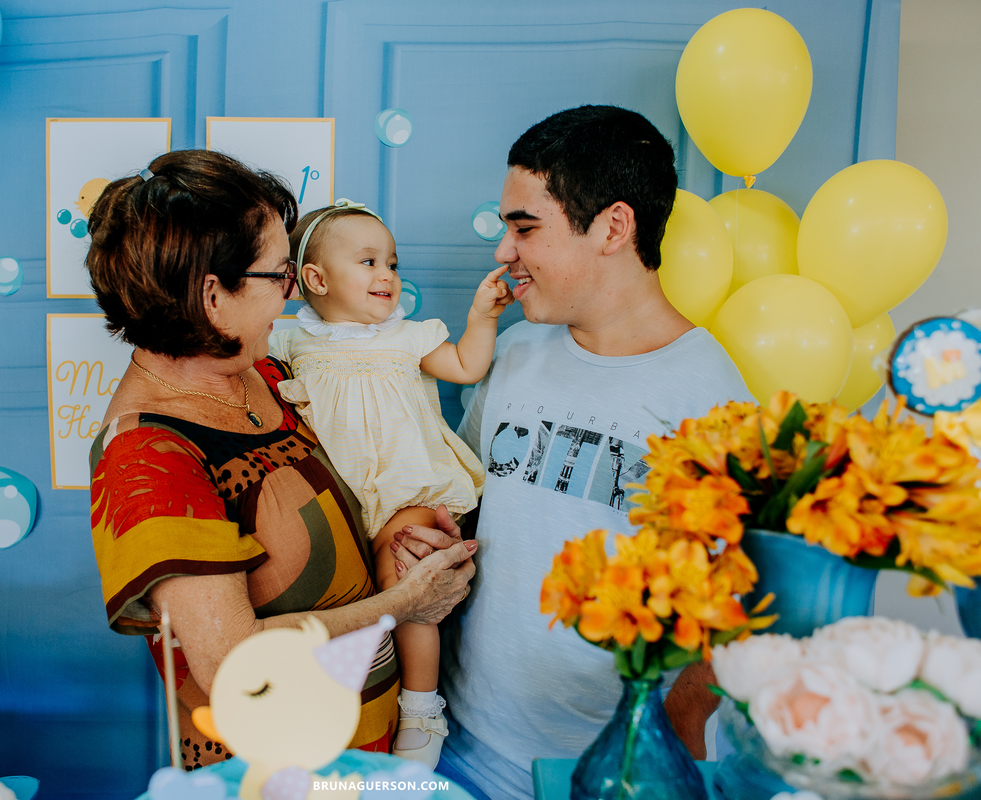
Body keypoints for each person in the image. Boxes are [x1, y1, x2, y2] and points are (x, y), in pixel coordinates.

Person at [391, 106, 754, 799]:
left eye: (525, 228)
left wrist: (678, 731)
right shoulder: (516, 349)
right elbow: (475, 500)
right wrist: (432, 538)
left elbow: (745, 594)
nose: (504, 252)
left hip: (611, 773)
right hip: (459, 750)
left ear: (613, 228)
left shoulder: (712, 398)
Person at [83, 149, 477, 771]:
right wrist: (405, 603)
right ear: (214, 295)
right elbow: (232, 662)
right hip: (278, 772)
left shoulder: (266, 373)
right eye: (278, 275)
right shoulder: (146, 459)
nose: (294, 292)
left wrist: (408, 542)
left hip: (368, 750)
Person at [268, 199, 513, 766]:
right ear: (316, 280)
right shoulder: (289, 344)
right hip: (337, 501)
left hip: (408, 491)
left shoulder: (408, 336)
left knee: (404, 575)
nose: (388, 275)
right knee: (338, 593)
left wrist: (483, 317)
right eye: (369, 262)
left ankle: (422, 706)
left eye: (393, 263)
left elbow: (466, 366)